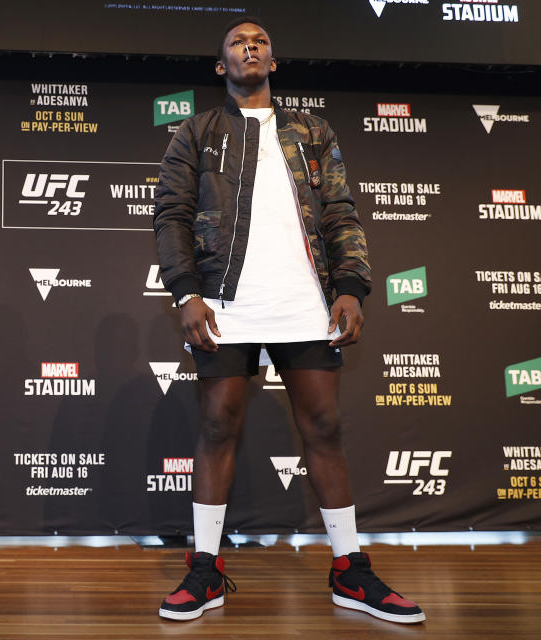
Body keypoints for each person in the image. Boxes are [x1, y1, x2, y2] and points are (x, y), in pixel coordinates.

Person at [152, 17, 424, 625]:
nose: (251, 47)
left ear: (273, 62)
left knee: (324, 426)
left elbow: (339, 212)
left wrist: (351, 287)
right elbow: (170, 215)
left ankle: (350, 569)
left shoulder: (312, 130)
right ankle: (205, 568)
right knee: (218, 426)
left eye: (261, 42)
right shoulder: (195, 132)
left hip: (304, 299)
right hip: (225, 301)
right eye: (237, 43)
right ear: (221, 66)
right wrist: (185, 294)